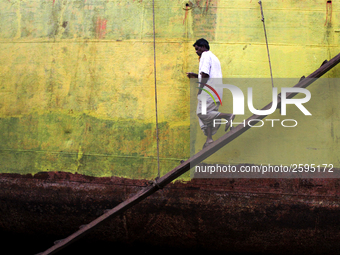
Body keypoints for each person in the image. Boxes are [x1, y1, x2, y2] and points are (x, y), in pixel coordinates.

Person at [186, 38, 234, 149]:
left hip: (208, 90)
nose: (196, 52)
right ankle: (209, 139)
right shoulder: (214, 58)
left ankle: (228, 116)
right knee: (208, 116)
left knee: (201, 113)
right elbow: (209, 75)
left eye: (197, 49)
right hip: (216, 90)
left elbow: (205, 75)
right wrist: (195, 75)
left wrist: (200, 90)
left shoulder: (205, 56)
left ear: (203, 47)